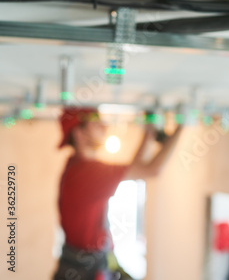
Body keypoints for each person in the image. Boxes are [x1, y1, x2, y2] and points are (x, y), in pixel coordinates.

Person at [53, 107, 182, 280]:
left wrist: (149, 133)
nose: (104, 127)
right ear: (79, 133)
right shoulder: (87, 173)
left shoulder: (77, 167)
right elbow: (152, 170)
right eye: (96, 123)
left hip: (85, 264)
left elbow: (138, 169)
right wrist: (183, 125)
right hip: (85, 268)